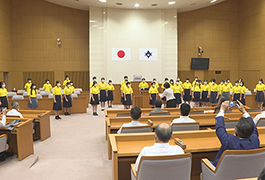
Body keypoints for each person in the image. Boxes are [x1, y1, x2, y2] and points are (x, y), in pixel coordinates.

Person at [211, 100, 259, 167]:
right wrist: (244, 111)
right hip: (248, 172)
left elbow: (220, 128)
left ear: (235, 132)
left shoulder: (230, 142)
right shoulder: (255, 140)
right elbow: (254, 129)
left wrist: (222, 110)